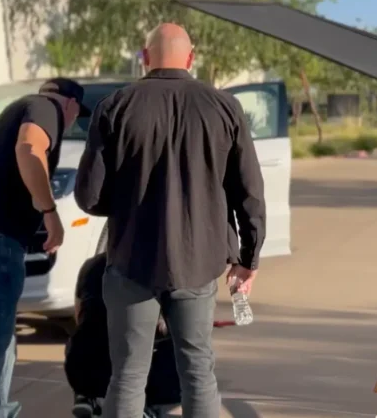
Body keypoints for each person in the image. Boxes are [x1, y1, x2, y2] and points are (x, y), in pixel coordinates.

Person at [74, 22, 266, 418]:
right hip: (198, 266)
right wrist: (249, 256)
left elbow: (89, 196)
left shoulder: (115, 106)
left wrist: (130, 204)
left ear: (144, 58)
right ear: (191, 58)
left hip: (130, 264)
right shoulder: (225, 107)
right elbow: (249, 191)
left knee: (126, 375)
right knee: (198, 372)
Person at [0, 77, 87, 418]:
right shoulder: (45, 107)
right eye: (76, 115)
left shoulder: (2, 119)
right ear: (71, 105)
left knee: (0, 338)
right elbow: (28, 149)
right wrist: (49, 213)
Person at [65, 252, 181, 418]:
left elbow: (80, 315)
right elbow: (162, 327)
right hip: (127, 371)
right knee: (177, 351)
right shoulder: (156, 269)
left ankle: (86, 396)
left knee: (81, 338)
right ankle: (147, 407)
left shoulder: (90, 265)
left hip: (82, 367)